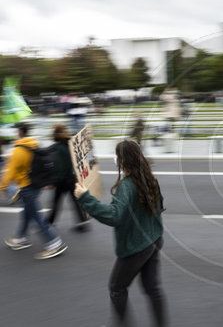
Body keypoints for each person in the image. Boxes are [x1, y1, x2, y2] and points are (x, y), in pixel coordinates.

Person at [74, 140, 166, 326]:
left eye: (116, 155)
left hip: (136, 247)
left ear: (123, 159)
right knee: (152, 289)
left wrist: (85, 198)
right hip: (154, 240)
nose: (114, 159)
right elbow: (158, 207)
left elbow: (114, 216)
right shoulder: (149, 178)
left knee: (116, 288)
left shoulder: (127, 186)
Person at [2, 122, 67, 259]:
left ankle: (54, 243)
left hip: (26, 187)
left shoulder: (18, 150)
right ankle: (20, 238)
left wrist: (2, 187)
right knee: (27, 212)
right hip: (36, 185)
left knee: (37, 217)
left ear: (19, 132)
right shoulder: (33, 144)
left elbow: (10, 173)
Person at [47, 124, 90, 231]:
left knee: (56, 202)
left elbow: (56, 164)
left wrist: (52, 181)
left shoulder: (56, 148)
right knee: (75, 202)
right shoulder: (70, 144)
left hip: (62, 180)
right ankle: (83, 221)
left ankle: (50, 222)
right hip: (71, 178)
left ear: (56, 133)